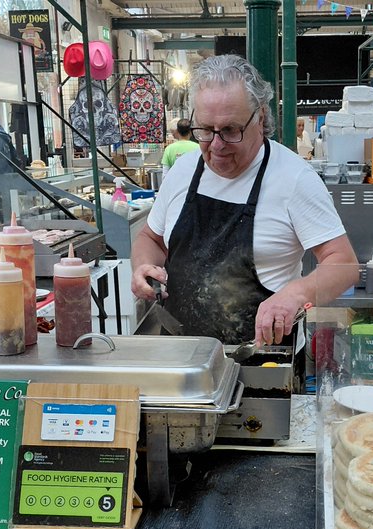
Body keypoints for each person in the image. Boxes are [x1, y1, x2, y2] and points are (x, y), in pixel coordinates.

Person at [131, 54, 358, 347]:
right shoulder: (183, 170)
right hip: (182, 354)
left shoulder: (293, 178)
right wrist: (143, 267)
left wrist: (295, 295)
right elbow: (151, 238)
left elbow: (343, 264)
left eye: (230, 130)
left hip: (262, 360)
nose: (216, 144)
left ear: (260, 118)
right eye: (205, 130)